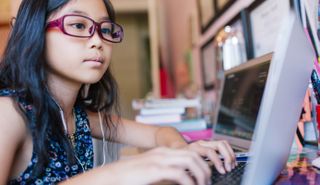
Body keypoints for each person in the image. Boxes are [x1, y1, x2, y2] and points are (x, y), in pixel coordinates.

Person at [0, 0, 237, 184]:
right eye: (79, 25)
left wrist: (182, 152)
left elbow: (159, 134)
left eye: (104, 29)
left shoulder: (80, 117)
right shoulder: (10, 113)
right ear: (34, 31)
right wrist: (113, 175)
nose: (97, 41)